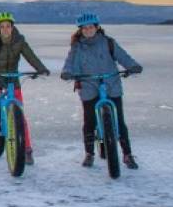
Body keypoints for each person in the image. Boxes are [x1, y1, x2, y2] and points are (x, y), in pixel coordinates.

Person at [60, 13, 143, 169]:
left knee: (119, 121)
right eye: (84, 28)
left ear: (97, 27)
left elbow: (123, 56)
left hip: (111, 84)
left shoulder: (108, 42)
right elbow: (69, 62)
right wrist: (67, 72)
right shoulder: (77, 46)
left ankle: (127, 155)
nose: (88, 30)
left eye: (91, 27)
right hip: (88, 85)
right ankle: (89, 153)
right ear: (80, 30)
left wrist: (133, 66)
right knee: (89, 122)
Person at [0, 11, 50, 165]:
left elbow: (31, 56)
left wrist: (41, 68)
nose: (6, 29)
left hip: (12, 79)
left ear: (13, 27)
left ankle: (28, 150)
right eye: (2, 27)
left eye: (8, 26)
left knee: (20, 114)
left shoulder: (19, 41)